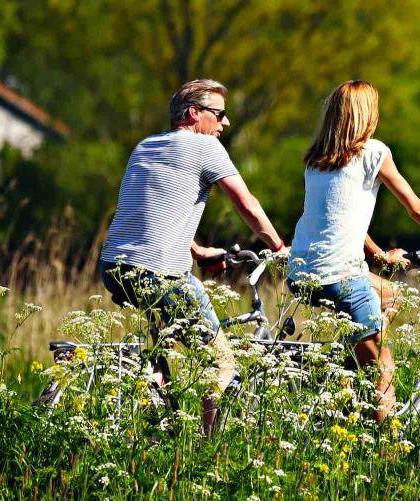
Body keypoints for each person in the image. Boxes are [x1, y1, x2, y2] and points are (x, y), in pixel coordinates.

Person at [289, 80, 420, 423]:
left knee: (391, 293)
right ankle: (386, 450)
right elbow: (416, 207)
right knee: (385, 368)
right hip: (341, 275)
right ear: (368, 115)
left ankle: (350, 370)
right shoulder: (374, 153)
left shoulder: (316, 160)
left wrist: (378, 254)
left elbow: (338, 217)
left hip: (301, 271)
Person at [99, 79, 287, 434]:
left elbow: (153, 211)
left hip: (114, 266)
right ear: (193, 114)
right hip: (158, 272)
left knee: (159, 353)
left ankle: (157, 419)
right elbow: (246, 204)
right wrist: (278, 247)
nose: (225, 123)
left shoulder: (144, 146)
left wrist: (198, 250)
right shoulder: (205, 148)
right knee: (221, 364)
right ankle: (206, 450)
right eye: (219, 114)